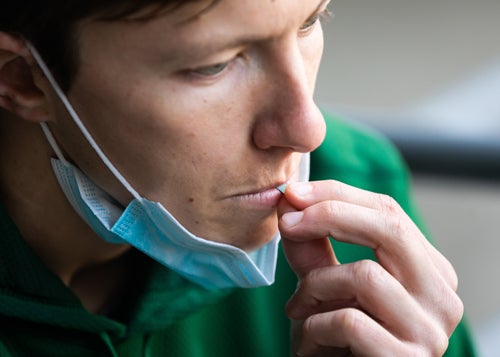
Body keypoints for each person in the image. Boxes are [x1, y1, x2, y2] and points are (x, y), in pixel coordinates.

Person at [0, 0, 476, 356]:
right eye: (214, 64)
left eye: (310, 21)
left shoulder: (358, 193)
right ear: (21, 77)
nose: (308, 129)